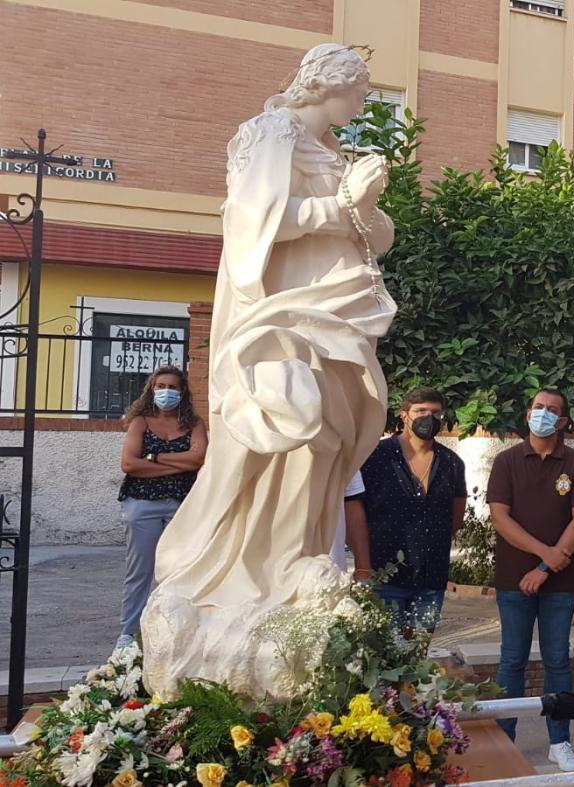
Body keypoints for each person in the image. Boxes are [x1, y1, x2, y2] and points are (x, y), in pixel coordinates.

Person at [141, 44, 398, 700]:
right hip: (283, 316)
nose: (364, 100)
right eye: (359, 88)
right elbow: (256, 223)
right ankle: (256, 565)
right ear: (329, 85)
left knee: (335, 439)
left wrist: (363, 203)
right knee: (296, 425)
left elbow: (375, 235)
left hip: (336, 312)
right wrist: (341, 205)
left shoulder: (331, 150)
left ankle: (302, 562)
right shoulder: (270, 133)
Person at [485, 389, 574, 771]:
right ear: (528, 412)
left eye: (552, 411)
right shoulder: (507, 461)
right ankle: (504, 742)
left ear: (562, 422)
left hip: (558, 586)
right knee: (511, 662)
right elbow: (500, 518)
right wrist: (544, 553)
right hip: (513, 581)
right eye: (538, 407)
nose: (543, 414)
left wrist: (546, 567)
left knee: (558, 661)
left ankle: (559, 741)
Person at [353, 387, 467, 632]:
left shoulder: (452, 463)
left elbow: (456, 516)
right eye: (421, 411)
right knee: (386, 657)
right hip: (384, 577)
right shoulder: (375, 457)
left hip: (431, 579)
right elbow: (356, 511)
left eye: (435, 412)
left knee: (418, 655)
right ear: (404, 415)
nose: (429, 417)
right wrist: (363, 567)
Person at [115, 366, 207, 649]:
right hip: (142, 504)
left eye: (173, 387)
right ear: (151, 390)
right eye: (160, 386)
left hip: (182, 505)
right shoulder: (140, 422)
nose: (166, 392)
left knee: (181, 569)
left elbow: (199, 459)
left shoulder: (194, 423)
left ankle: (175, 631)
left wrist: (152, 457)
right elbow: (129, 464)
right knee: (140, 571)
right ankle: (128, 634)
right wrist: (174, 462)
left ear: (182, 392)